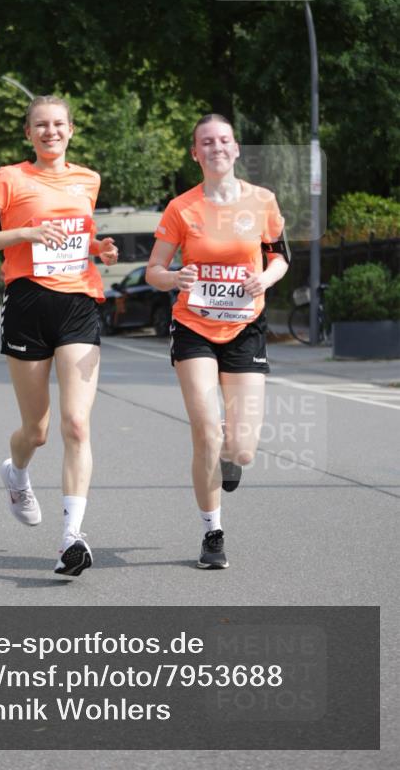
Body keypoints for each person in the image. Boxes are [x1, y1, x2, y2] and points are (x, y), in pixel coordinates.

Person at [0, 94, 118, 576]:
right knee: (38, 431)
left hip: (79, 303)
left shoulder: (88, 179)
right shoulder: (10, 178)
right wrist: (23, 234)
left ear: (71, 130)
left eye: (58, 124)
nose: (51, 132)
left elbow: (74, 238)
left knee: (77, 424)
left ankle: (72, 538)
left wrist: (98, 248)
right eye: (41, 125)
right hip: (27, 304)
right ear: (28, 133)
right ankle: (16, 473)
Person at [146, 114, 289, 570]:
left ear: (236, 148)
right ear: (196, 153)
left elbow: (280, 257)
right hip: (194, 325)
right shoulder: (181, 208)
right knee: (206, 430)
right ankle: (212, 532)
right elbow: (154, 271)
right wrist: (174, 277)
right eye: (206, 142)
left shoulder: (262, 200)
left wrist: (265, 279)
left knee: (242, 448)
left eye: (224, 140)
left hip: (245, 327)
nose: (216, 148)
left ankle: (231, 454)